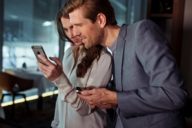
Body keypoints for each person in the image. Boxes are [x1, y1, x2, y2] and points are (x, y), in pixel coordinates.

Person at [63, 0, 187, 128]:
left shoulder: (141, 32)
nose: (74, 34)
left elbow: (175, 94)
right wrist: (107, 98)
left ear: (100, 20)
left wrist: (115, 98)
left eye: (78, 25)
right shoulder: (104, 53)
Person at [37, 7, 112, 128]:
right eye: (66, 29)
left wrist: (59, 78)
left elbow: (86, 108)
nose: (71, 34)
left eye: (73, 26)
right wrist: (56, 123)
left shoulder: (104, 58)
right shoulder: (69, 53)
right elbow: (62, 97)